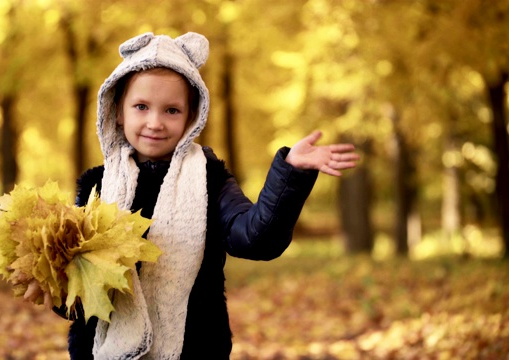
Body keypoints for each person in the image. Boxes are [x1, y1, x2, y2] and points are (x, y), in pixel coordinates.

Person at [24, 32, 359, 359]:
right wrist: (51, 278)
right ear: (117, 111)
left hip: (194, 346)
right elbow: (80, 296)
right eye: (141, 106)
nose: (155, 122)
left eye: (172, 110)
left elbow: (257, 239)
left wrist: (290, 173)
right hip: (102, 350)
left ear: (191, 118)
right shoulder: (97, 186)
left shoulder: (209, 180)